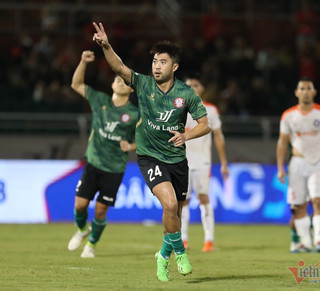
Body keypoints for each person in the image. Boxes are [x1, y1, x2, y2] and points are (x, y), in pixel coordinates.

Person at [92, 22, 211, 281]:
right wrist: (106, 46)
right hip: (149, 156)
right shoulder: (144, 85)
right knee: (169, 204)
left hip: (177, 160)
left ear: (174, 67)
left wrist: (187, 134)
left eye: (163, 62)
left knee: (174, 214)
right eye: (155, 61)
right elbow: (119, 67)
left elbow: (205, 125)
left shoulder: (186, 94)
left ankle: (162, 254)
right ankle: (180, 252)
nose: (156, 66)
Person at [68, 50, 138, 258]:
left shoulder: (135, 114)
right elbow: (76, 85)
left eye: (124, 81)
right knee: (80, 206)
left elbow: (148, 135)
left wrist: (131, 147)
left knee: (100, 211)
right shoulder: (99, 100)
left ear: (131, 89)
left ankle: (91, 245)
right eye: (117, 79)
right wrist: (82, 61)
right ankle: (82, 230)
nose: (119, 81)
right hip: (93, 162)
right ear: (112, 85)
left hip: (114, 168)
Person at [277, 77, 320, 253]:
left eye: (308, 88)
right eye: (302, 89)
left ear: (314, 92)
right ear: (296, 93)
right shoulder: (288, 115)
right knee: (299, 206)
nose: (305, 91)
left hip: (318, 163)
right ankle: (305, 243)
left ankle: (319, 241)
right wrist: (281, 167)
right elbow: (282, 142)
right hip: (297, 163)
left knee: (319, 202)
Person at [181, 74, 229, 252]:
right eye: (189, 85)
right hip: (182, 162)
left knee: (203, 197)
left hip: (203, 162)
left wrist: (223, 162)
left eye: (196, 85)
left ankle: (209, 240)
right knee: (183, 201)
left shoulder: (211, 110)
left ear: (202, 89)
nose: (193, 88)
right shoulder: (178, 109)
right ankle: (183, 239)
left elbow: (218, 136)